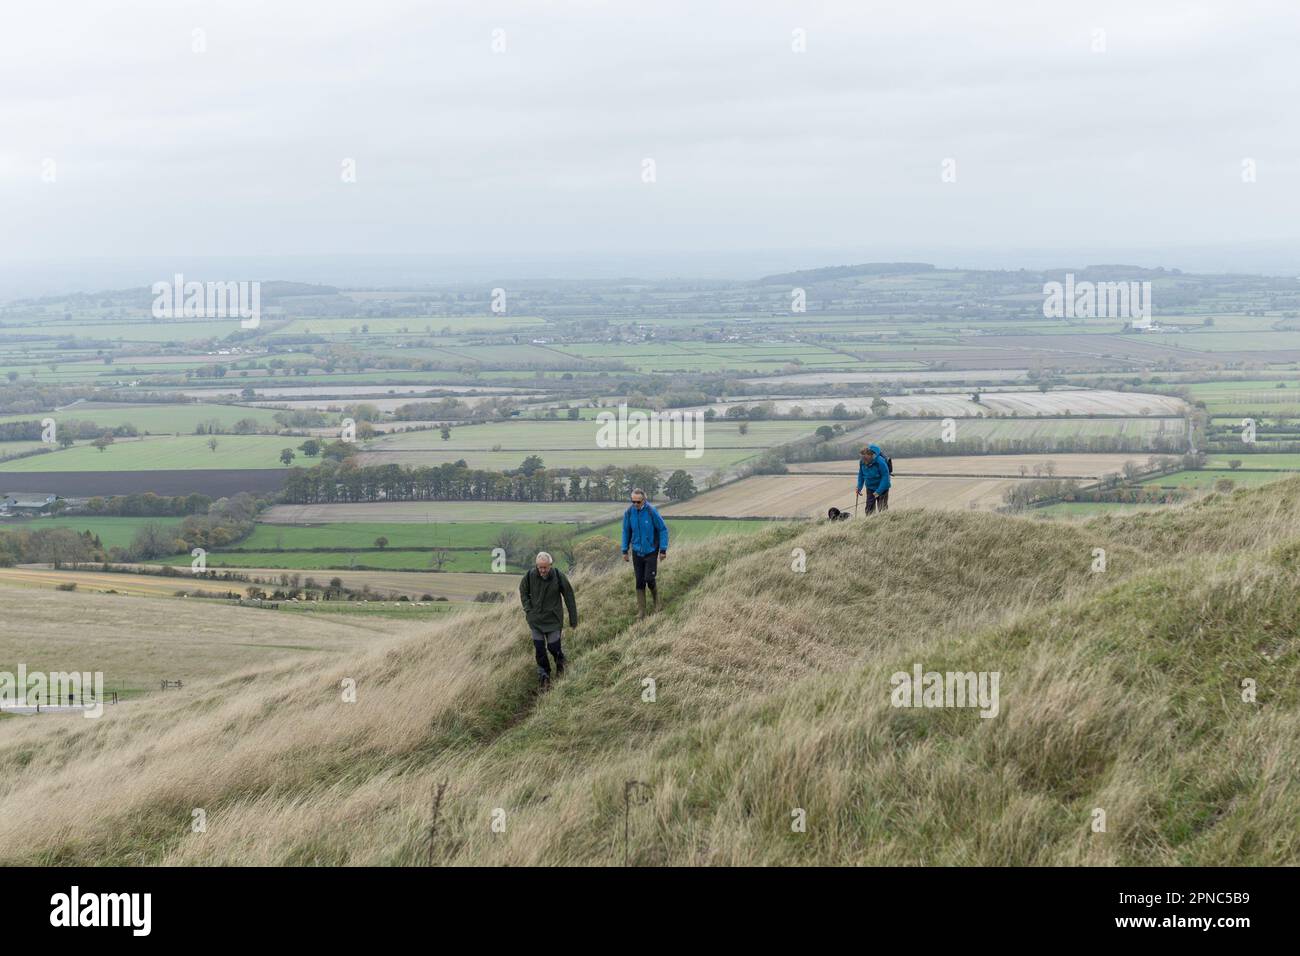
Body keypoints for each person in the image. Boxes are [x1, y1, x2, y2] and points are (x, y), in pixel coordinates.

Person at [518, 551, 578, 689]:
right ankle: (544, 676)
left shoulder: (558, 576)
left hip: (553, 620)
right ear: (536, 566)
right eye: (540, 567)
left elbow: (569, 597)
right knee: (539, 649)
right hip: (536, 621)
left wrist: (573, 620)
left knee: (553, 647)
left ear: (550, 565)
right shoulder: (529, 576)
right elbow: (523, 592)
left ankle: (561, 663)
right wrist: (528, 610)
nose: (542, 570)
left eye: (545, 567)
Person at [621, 487, 669, 619]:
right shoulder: (629, 512)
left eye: (638, 502)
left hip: (651, 551)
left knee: (649, 578)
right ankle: (641, 612)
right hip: (637, 552)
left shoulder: (651, 511)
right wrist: (624, 550)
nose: (635, 504)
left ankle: (657, 603)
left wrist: (663, 550)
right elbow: (626, 531)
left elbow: (663, 529)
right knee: (639, 581)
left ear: (644, 500)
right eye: (633, 501)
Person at [855, 443, 891, 513]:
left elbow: (885, 478)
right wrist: (859, 487)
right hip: (870, 488)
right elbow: (861, 474)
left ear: (872, 456)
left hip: (882, 488)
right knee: (869, 510)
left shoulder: (880, 462)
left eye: (866, 459)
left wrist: (878, 491)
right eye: (862, 459)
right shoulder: (862, 461)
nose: (864, 462)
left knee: (882, 509)